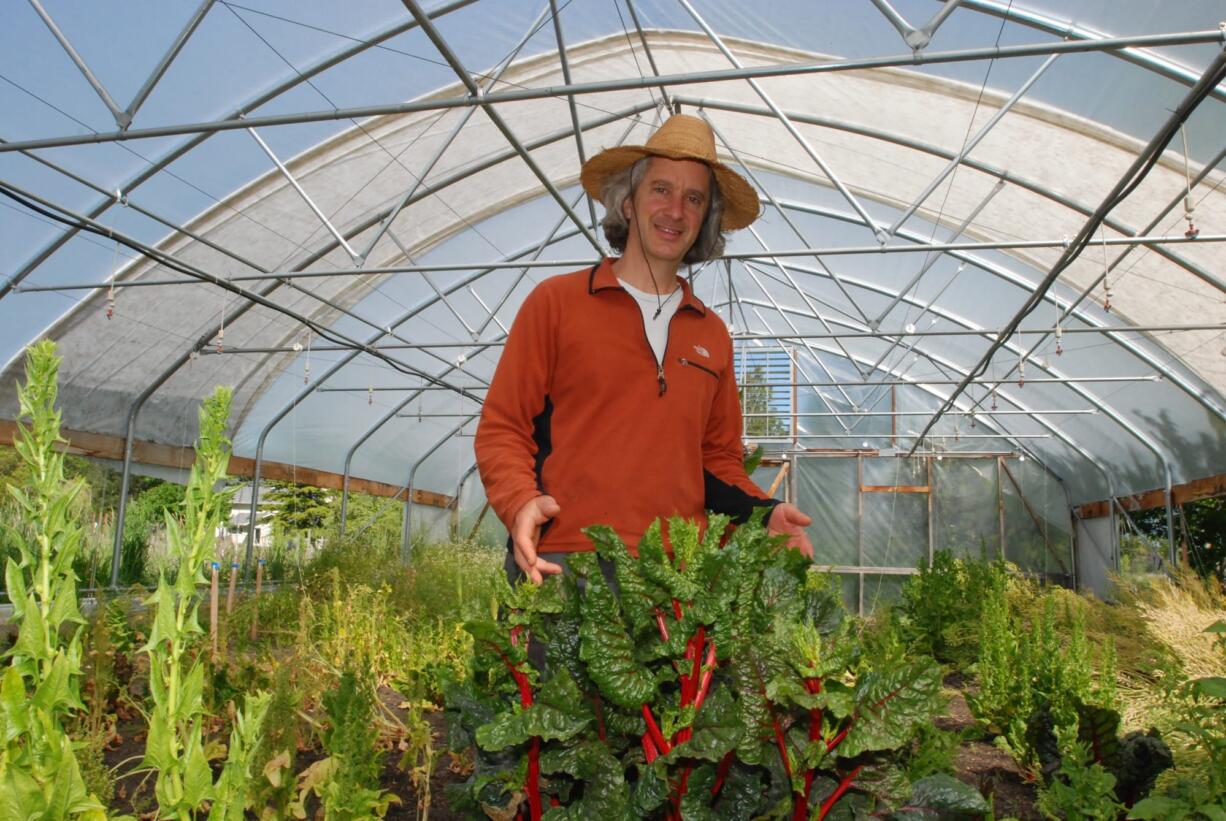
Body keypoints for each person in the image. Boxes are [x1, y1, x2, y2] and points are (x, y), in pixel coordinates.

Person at [475, 113, 814, 585]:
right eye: (661, 189)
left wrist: (762, 511)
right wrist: (519, 501)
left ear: (705, 219)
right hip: (568, 559)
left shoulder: (711, 332)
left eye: (693, 198)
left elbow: (716, 461)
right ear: (629, 202)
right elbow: (504, 427)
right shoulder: (557, 302)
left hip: (675, 574)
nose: (675, 210)